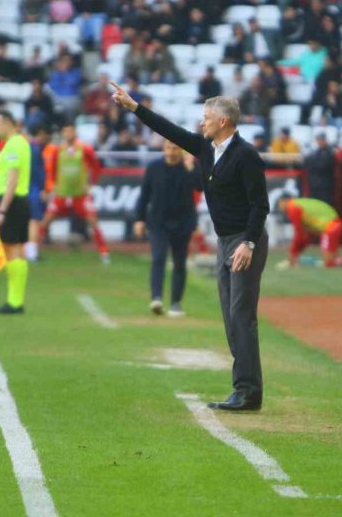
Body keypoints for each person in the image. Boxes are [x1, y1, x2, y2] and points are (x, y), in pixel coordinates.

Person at [110, 84, 269, 412]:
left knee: (241, 315)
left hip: (244, 242)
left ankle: (248, 390)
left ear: (224, 121)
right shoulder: (206, 149)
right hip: (225, 241)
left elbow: (260, 206)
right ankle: (244, 388)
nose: (201, 123)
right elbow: (168, 129)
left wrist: (249, 244)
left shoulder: (246, 155)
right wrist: (134, 107)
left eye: (207, 118)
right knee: (230, 315)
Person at [134, 140, 201, 317]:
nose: (172, 151)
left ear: (181, 150)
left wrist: (191, 168)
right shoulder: (154, 168)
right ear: (164, 149)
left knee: (179, 262)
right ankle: (156, 298)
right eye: (169, 148)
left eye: (176, 148)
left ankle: (175, 302)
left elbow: (201, 186)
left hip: (183, 222)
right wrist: (139, 219)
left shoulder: (189, 168)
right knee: (158, 257)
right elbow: (144, 195)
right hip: (158, 222)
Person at [40, 123, 109, 263]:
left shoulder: (84, 149)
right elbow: (51, 170)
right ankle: (33, 251)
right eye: (65, 131)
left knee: (93, 222)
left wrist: (92, 183)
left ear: (75, 133)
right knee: (45, 221)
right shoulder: (57, 150)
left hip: (80, 195)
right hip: (62, 194)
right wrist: (49, 188)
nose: (68, 134)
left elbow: (96, 166)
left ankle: (104, 252)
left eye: (70, 131)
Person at [0, 110, 32, 315]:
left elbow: (12, 179)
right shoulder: (12, 145)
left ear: (7, 124)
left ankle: (15, 302)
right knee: (14, 250)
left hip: (12, 202)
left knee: (12, 250)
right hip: (15, 201)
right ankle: (15, 300)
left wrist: (2, 210)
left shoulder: (14, 145)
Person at [276, 196, 342, 269]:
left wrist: (293, 253)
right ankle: (294, 260)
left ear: (283, 201)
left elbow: (299, 235)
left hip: (330, 228)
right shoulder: (299, 203)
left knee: (329, 263)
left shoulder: (292, 208)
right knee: (331, 259)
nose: (279, 207)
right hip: (334, 225)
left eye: (279, 203)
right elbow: (304, 236)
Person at [25, 125, 49, 263]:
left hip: (23, 188)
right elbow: (38, 172)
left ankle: (27, 251)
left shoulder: (25, 146)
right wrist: (43, 189)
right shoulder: (36, 149)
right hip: (33, 190)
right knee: (34, 221)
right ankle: (32, 253)